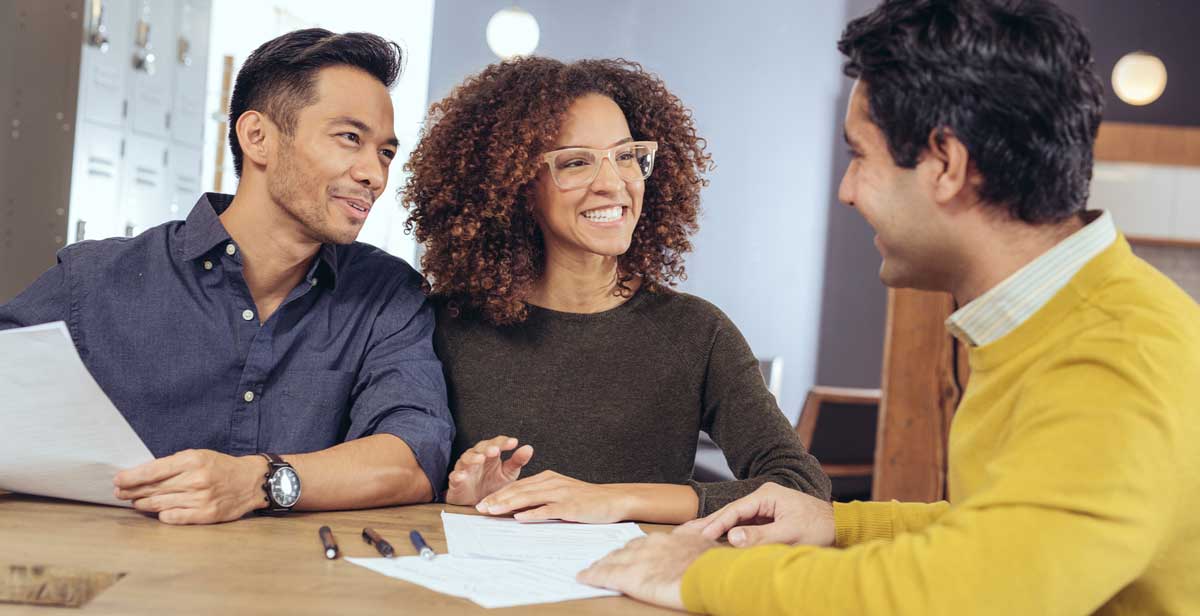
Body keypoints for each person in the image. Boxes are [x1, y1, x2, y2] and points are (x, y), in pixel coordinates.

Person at [578, 0, 1200, 613]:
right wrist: (835, 524)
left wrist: (700, 575)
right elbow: (1007, 534)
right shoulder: (1068, 319)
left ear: (945, 164)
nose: (847, 193)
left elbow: (973, 592)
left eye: (860, 157)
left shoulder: (1113, 357)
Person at [0, 29, 454, 525]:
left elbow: (414, 455)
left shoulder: (387, 295)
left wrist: (261, 481)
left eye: (385, 152)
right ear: (257, 137)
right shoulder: (94, 279)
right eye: (350, 138)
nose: (376, 175)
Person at [403, 57, 830, 524]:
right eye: (576, 162)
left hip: (633, 590)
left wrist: (618, 499)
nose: (613, 184)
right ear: (515, 185)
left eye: (626, 156)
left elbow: (800, 489)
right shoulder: (443, 325)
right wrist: (458, 499)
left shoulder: (696, 333)